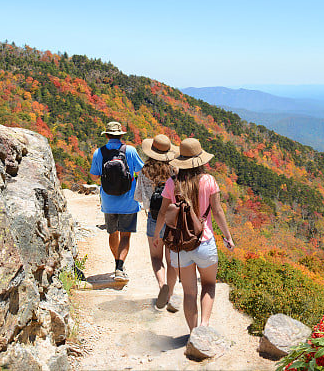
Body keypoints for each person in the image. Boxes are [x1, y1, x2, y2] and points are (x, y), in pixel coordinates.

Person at [153, 138, 235, 332]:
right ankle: (203, 327)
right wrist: (228, 237)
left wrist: (157, 236)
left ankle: (192, 333)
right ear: (200, 160)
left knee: (189, 293)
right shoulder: (209, 181)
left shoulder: (172, 184)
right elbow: (217, 212)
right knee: (208, 285)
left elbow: (163, 213)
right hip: (204, 243)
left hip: (180, 246)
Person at [89, 120, 144, 282]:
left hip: (108, 201)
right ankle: (119, 268)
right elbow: (141, 171)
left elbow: (94, 176)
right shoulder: (131, 150)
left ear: (106, 135)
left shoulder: (99, 152)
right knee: (125, 235)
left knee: (112, 233)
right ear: (121, 135)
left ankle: (117, 263)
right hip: (128, 201)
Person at [133, 133, 179, 310]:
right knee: (171, 259)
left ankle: (161, 286)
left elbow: (138, 198)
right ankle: (171, 294)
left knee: (156, 257)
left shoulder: (144, 171)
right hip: (172, 220)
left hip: (153, 218)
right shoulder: (174, 171)